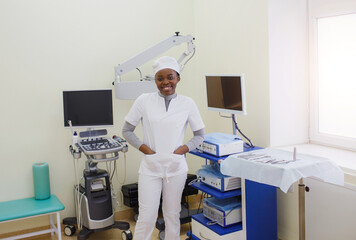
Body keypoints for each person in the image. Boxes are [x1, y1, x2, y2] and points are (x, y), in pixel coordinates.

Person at [122, 56, 205, 240]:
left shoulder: (187, 103)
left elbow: (200, 135)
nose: (165, 82)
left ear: (178, 78)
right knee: (146, 217)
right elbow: (127, 130)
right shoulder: (144, 100)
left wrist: (183, 149)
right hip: (151, 167)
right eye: (160, 78)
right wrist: (145, 149)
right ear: (155, 81)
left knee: (172, 215)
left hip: (176, 168)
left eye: (170, 77)